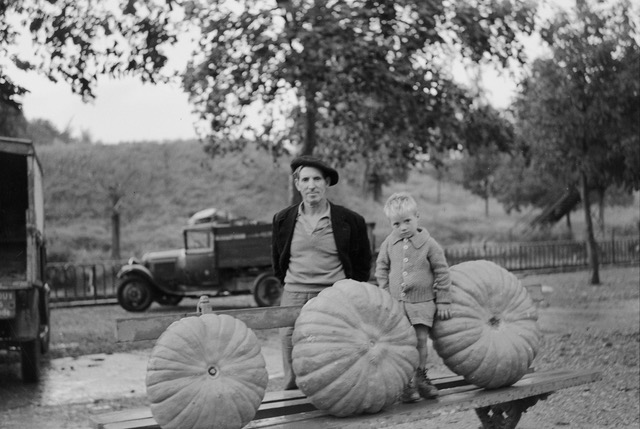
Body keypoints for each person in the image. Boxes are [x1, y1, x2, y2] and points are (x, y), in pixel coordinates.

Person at [272, 155, 372, 390]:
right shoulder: (283, 219)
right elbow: (277, 260)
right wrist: (292, 283)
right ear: (297, 184)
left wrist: (345, 291)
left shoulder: (350, 220)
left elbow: (362, 263)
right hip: (294, 295)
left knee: (333, 355)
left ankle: (333, 403)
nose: (311, 185)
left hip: (333, 296)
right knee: (291, 350)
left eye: (317, 179)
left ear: (326, 182)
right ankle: (292, 405)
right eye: (305, 179)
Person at [375, 191, 452, 402]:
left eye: (407, 221)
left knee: (420, 341)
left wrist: (444, 299)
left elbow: (442, 271)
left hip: (422, 304)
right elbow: (381, 268)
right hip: (397, 306)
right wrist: (384, 292)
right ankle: (405, 384)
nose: (403, 227)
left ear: (417, 216)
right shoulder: (389, 244)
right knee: (400, 344)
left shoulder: (429, 243)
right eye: (396, 224)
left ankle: (421, 378)